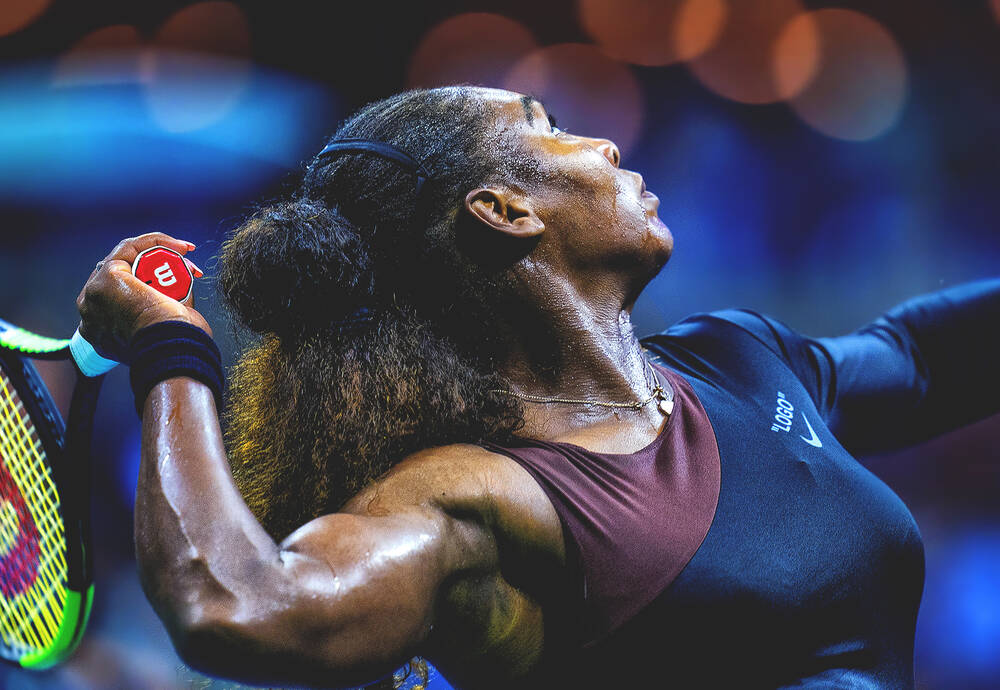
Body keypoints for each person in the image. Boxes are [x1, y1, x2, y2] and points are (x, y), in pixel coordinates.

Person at [76, 86, 999, 689]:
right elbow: (235, 606)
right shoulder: (473, 498)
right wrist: (170, 352)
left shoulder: (743, 360)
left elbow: (922, 357)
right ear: (505, 210)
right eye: (549, 128)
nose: (602, 143)